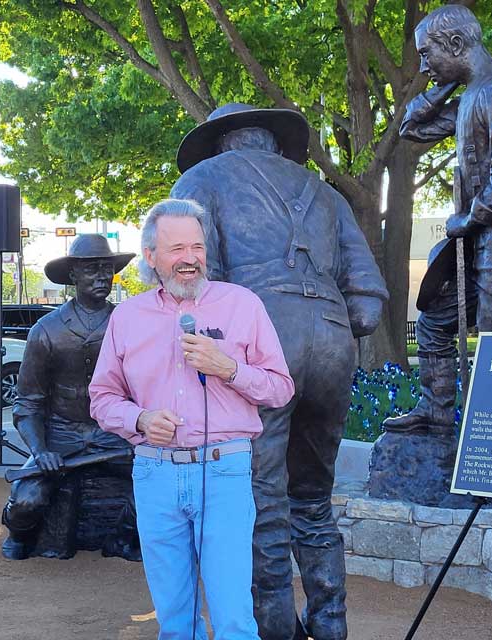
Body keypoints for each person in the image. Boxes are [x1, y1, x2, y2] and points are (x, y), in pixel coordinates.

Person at [171, 103, 388, 640]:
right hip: (334, 342)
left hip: (260, 342)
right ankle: (331, 622)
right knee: (312, 497)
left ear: (222, 142)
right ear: (272, 141)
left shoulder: (202, 180)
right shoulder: (328, 194)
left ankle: (274, 628)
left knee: (259, 497)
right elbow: (367, 304)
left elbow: (199, 282)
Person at [89, 198, 295, 640]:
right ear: (151, 257)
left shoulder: (243, 305)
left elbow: (280, 387)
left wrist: (228, 368)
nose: (190, 259)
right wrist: (140, 419)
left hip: (224, 470)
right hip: (154, 472)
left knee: (234, 618)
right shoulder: (127, 317)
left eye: (197, 247)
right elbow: (102, 398)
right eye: (177, 248)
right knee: (175, 621)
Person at [385, 4, 492, 437]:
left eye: (427, 54)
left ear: (455, 44)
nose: (422, 65)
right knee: (435, 323)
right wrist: (441, 86)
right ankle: (436, 415)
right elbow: (410, 130)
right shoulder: (473, 94)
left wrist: (466, 219)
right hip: (481, 242)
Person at [2, 234, 136, 560]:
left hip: (113, 434)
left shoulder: (129, 324)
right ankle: (20, 532)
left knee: (160, 480)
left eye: (107, 269)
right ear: (73, 275)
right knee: (26, 501)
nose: (103, 276)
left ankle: (123, 537)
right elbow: (28, 403)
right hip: (61, 437)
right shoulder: (46, 330)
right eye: (92, 270)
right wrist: (41, 450)